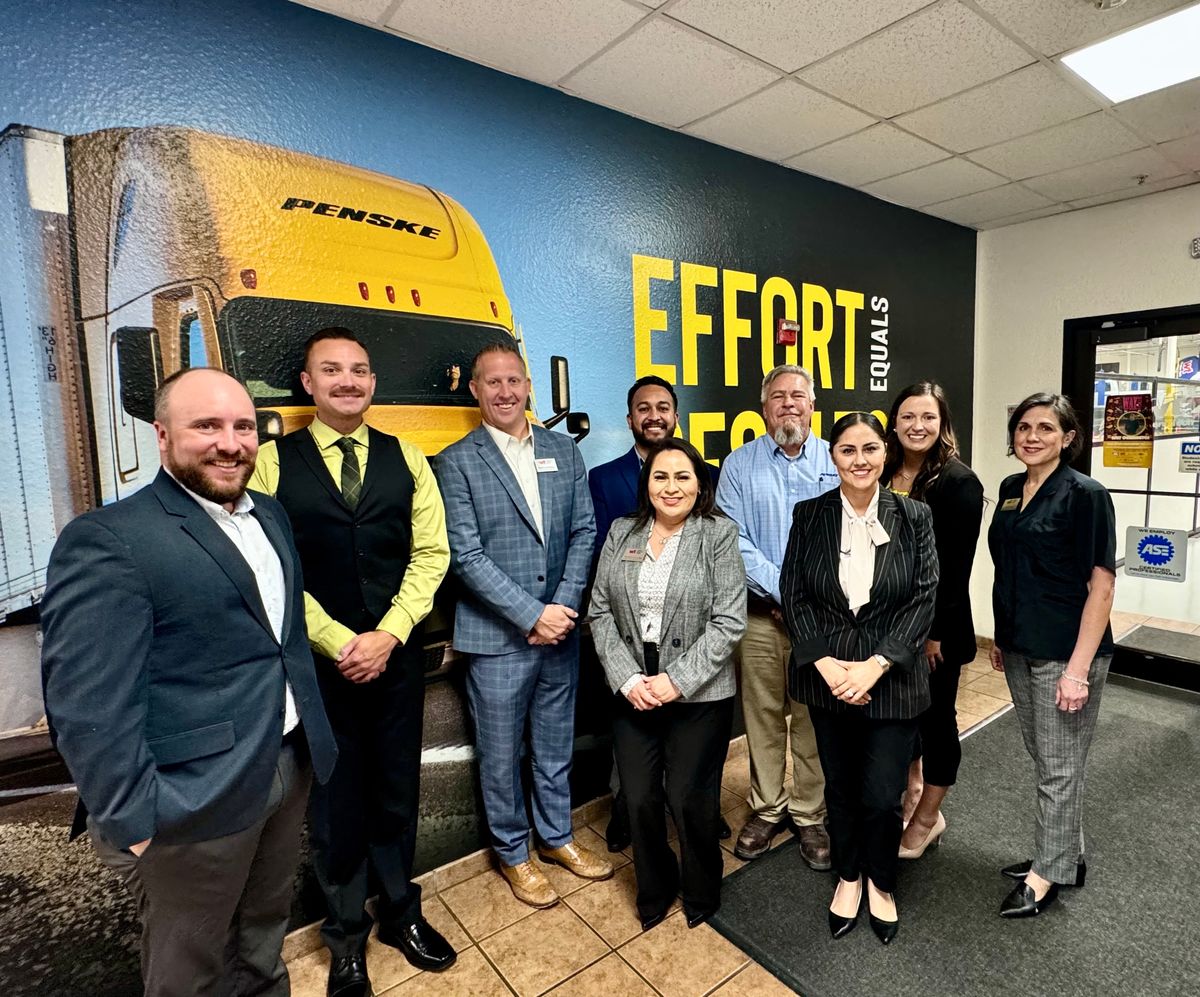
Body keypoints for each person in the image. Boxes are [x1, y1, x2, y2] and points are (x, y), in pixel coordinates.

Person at [40, 368, 338, 997]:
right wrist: (134, 823)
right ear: (162, 434)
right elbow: (87, 705)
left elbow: (278, 643)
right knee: (188, 970)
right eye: (207, 425)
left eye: (243, 426)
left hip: (288, 764)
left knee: (263, 934)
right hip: (191, 798)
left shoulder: (272, 516)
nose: (230, 442)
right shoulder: (110, 539)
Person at [248, 328, 455, 996]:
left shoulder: (409, 459)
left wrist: (389, 633)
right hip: (320, 666)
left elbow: (431, 555)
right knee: (335, 805)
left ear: (372, 383)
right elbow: (269, 565)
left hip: (394, 660)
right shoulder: (272, 462)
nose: (348, 380)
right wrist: (339, 640)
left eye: (360, 370)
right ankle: (345, 940)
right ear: (307, 383)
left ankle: (401, 912)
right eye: (331, 369)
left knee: (397, 790)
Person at [435, 340, 611, 908]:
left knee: (554, 746)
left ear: (530, 385)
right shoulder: (456, 461)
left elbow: (585, 532)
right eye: (493, 382)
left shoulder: (563, 450)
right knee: (501, 751)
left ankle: (557, 837)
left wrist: (558, 609)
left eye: (515, 381)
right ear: (475, 389)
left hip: (560, 632)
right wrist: (531, 615)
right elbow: (464, 555)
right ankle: (514, 853)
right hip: (497, 639)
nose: (506, 392)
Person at [780, 412, 938, 944]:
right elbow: (794, 594)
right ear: (834, 457)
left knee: (882, 794)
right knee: (841, 789)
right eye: (848, 450)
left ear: (885, 452)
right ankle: (849, 877)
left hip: (890, 681)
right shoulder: (809, 515)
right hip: (829, 680)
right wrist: (824, 663)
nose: (860, 460)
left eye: (870, 448)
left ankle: (882, 885)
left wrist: (877, 665)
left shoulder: (914, 516)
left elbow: (923, 599)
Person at [589, 439, 746, 930]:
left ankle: (701, 890)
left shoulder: (717, 534)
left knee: (688, 797)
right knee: (638, 797)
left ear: (700, 484)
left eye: (683, 476)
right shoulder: (622, 531)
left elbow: (728, 622)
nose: (671, 486)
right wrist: (628, 677)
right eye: (661, 476)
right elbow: (599, 611)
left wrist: (676, 681)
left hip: (698, 692)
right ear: (647, 483)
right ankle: (653, 889)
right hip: (634, 688)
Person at [587, 374, 727, 851]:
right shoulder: (603, 479)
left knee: (689, 769)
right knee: (634, 758)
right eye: (643, 408)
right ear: (630, 419)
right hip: (630, 629)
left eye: (662, 407)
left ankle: (692, 814)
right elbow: (599, 561)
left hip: (688, 635)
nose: (653, 415)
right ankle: (627, 810)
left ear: (675, 415)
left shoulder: (706, 474)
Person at [989, 392, 1116, 919]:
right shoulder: (1011, 489)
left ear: (1067, 438)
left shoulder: (1085, 494)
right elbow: (1009, 567)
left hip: (1067, 653)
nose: (1031, 436)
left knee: (1058, 768)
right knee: (1049, 759)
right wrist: (1000, 636)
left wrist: (1078, 672)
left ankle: (1047, 876)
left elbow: (1102, 586)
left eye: (1045, 428)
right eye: (1023, 427)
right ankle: (1068, 853)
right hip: (1020, 644)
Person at [716, 364, 838, 867]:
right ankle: (768, 807)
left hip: (823, 621)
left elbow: (845, 536)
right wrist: (788, 593)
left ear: (812, 405)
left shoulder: (837, 460)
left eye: (798, 396)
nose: (788, 404)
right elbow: (733, 540)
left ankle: (810, 814)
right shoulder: (738, 465)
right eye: (778, 396)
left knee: (813, 719)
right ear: (763, 407)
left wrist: (808, 599)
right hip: (761, 617)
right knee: (762, 718)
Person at [881, 383, 985, 859]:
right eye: (907, 417)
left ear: (943, 422)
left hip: (933, 634)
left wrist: (933, 635)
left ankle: (928, 817)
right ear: (894, 422)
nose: (916, 426)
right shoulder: (884, 471)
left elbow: (955, 570)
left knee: (937, 723)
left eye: (927, 417)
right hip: (887, 627)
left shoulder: (960, 482)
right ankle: (912, 790)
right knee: (906, 722)